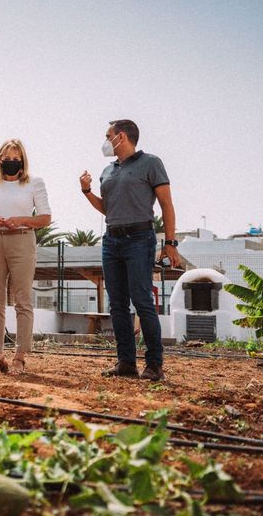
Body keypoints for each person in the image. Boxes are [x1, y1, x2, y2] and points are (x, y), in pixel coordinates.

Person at [79, 119, 180, 381]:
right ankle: (126, 363)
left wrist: (170, 243)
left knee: (142, 301)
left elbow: (166, 205)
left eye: (108, 135)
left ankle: (154, 365)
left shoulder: (151, 163)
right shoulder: (107, 171)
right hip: (111, 241)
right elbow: (107, 209)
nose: (105, 141)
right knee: (117, 305)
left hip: (139, 239)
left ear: (121, 136)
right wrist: (87, 191)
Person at [0, 139, 51, 374]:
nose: (11, 162)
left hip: (22, 240)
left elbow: (45, 218)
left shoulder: (34, 183)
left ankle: (20, 357)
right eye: (7, 158)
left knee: (22, 299)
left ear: (22, 160)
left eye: (16, 159)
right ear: (0, 160)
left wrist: (22, 220)